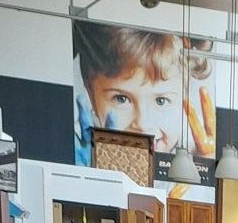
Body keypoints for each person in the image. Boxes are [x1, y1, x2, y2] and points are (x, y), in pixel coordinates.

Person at [74, 25, 214, 162]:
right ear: (91, 94)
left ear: (184, 98)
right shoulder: (80, 151)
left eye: (161, 101)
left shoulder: (194, 154)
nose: (143, 124)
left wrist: (206, 167)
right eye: (121, 99)